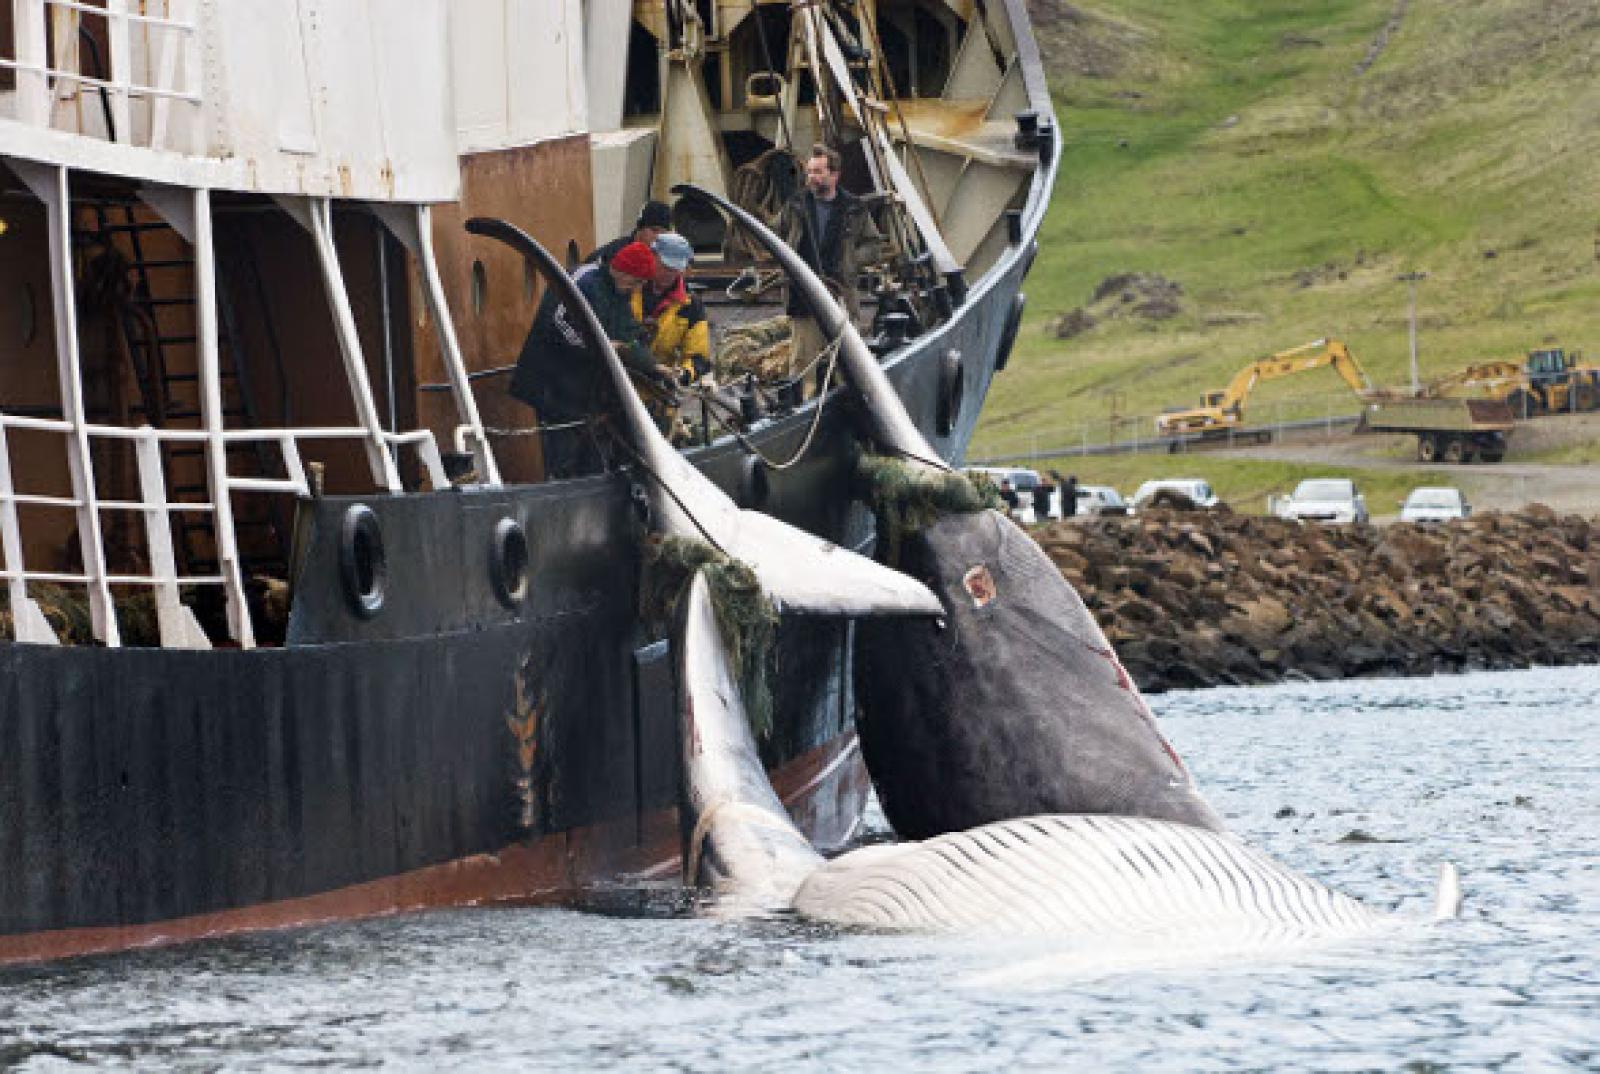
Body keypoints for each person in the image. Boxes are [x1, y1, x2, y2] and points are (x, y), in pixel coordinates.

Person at [510, 240, 661, 479]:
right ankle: (561, 492)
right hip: (551, 382)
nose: (637, 288)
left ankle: (588, 488)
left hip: (578, 387)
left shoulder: (618, 291)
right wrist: (601, 346)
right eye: (636, 281)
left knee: (589, 455)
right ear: (622, 270)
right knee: (561, 452)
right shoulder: (583, 280)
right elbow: (558, 320)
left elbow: (627, 331)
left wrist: (653, 365)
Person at [775, 144, 884, 380]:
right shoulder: (795, 207)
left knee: (846, 366)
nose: (811, 178)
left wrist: (849, 260)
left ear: (834, 175)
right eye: (809, 172)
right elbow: (778, 237)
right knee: (804, 366)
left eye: (818, 172)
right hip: (803, 300)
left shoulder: (854, 209)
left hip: (840, 296)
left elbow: (874, 246)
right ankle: (807, 409)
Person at [634, 232, 710, 386]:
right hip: (618, 384)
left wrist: (684, 374)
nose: (670, 273)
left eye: (675, 269)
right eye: (665, 266)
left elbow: (698, 357)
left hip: (658, 392)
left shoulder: (690, 306)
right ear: (652, 257)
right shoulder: (629, 288)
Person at [587, 201, 674, 268]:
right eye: (654, 230)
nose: (658, 237)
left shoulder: (663, 257)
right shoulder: (616, 253)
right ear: (640, 229)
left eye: (663, 233)